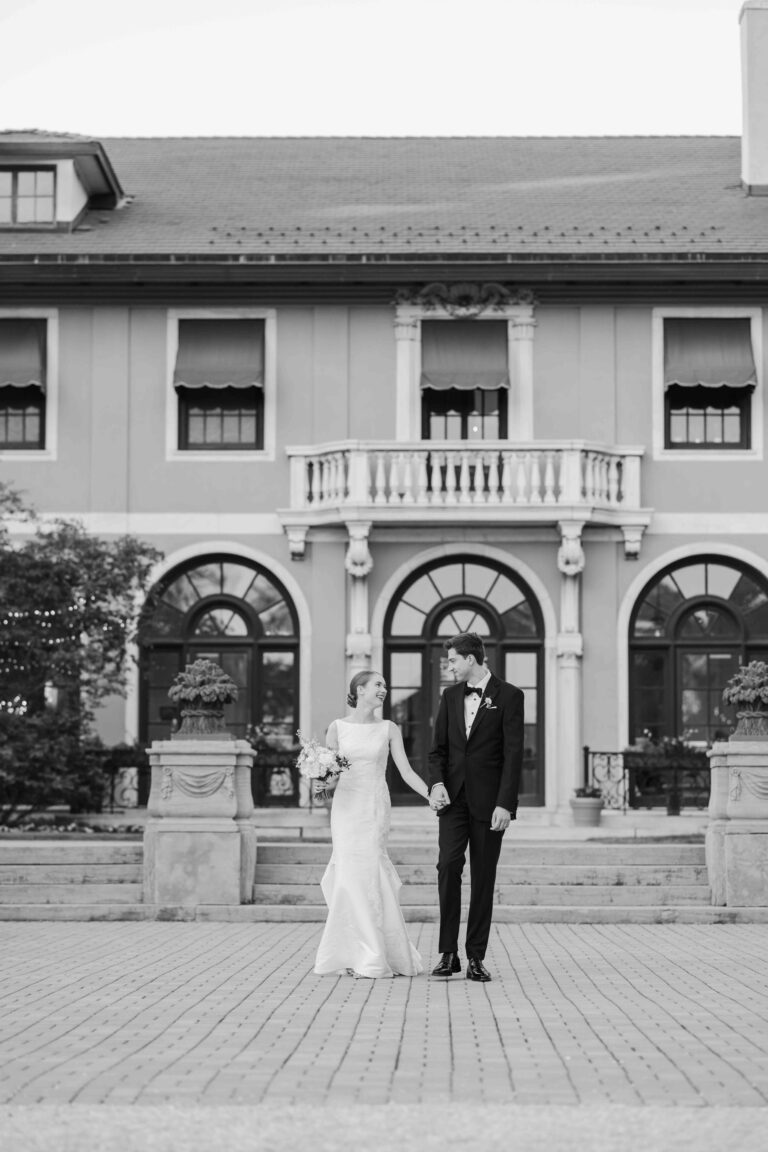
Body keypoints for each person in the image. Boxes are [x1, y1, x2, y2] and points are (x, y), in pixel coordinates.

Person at [313, 669, 429, 978]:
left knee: (370, 872)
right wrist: (322, 784)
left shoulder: (389, 728)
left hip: (374, 806)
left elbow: (406, 771)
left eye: (385, 686)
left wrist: (430, 795)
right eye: (378, 684)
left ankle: (375, 953)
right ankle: (352, 952)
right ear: (359, 690)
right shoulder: (337, 728)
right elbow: (328, 782)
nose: (384, 689)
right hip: (345, 809)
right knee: (348, 875)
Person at [428, 632, 524, 982]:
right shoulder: (450, 696)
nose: (449, 666)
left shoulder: (510, 696)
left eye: (453, 660)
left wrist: (505, 805)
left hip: (489, 803)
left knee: (483, 877)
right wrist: (437, 784)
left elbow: (513, 755)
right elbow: (437, 751)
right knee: (448, 866)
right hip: (453, 800)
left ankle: (475, 957)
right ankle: (448, 953)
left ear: (470, 659)